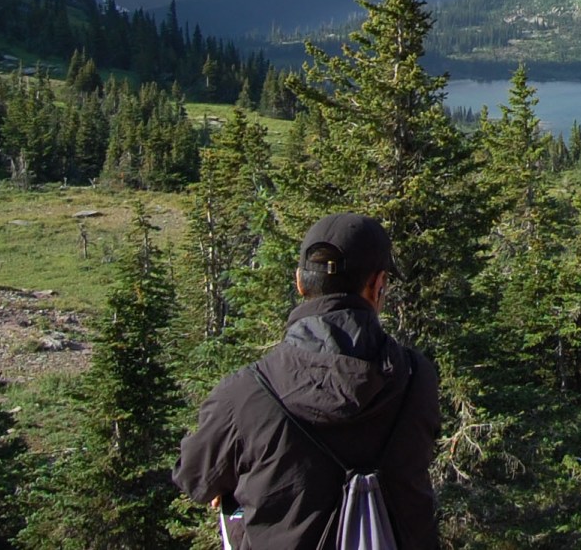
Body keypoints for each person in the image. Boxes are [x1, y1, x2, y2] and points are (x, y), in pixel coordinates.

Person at [175, 213, 440, 549]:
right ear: (377, 285)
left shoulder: (246, 392)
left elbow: (195, 478)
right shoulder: (419, 379)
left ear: (300, 282)